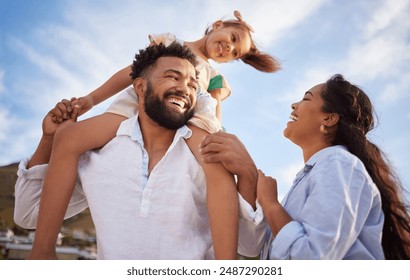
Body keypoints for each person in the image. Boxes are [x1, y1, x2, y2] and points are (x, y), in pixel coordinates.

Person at [34, 10, 278, 260]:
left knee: (213, 160)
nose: (230, 48)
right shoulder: (171, 42)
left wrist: (216, 114)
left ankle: (226, 265)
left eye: (236, 53)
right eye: (234, 38)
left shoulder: (215, 78)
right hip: (139, 104)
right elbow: (132, 72)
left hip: (192, 113)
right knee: (69, 137)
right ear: (216, 25)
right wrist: (91, 99)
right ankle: (42, 250)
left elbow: (214, 115)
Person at [200, 74, 410, 259]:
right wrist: (248, 175)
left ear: (328, 118)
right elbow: (250, 248)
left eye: (306, 98)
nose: (294, 104)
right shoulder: (314, 174)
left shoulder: (339, 164)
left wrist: (271, 204)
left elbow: (311, 259)